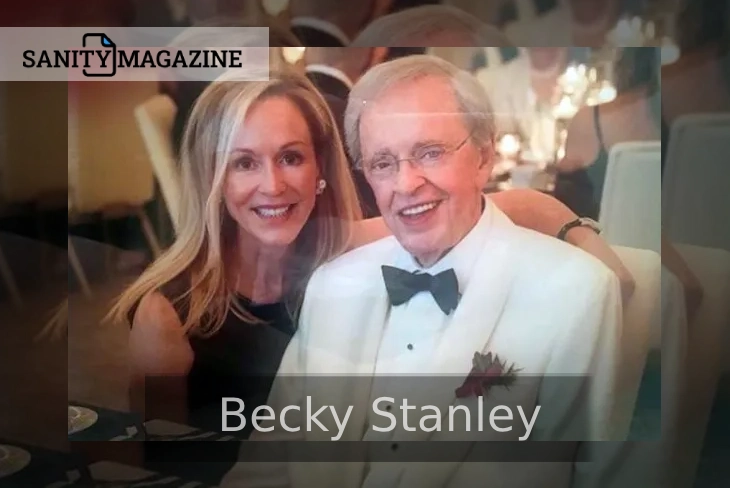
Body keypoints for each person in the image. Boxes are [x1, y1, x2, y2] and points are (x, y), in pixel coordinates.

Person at [223, 55, 624, 487]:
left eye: (429, 153)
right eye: (382, 164)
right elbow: (265, 468)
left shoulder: (576, 294)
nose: (406, 184)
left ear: (484, 157)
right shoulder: (333, 285)